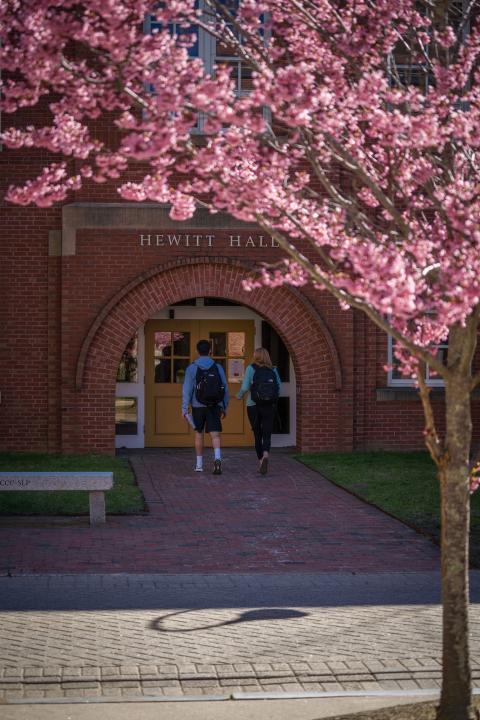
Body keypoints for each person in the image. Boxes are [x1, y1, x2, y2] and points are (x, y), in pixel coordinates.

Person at [182, 339, 229, 475]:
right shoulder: (218, 367)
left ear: (197, 351)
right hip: (214, 405)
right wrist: (224, 406)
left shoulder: (192, 368)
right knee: (215, 435)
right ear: (210, 351)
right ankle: (217, 459)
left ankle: (199, 465)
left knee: (198, 434)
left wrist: (184, 408)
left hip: (197, 405)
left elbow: (187, 390)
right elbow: (225, 388)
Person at [237, 348, 281, 475]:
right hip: (269, 406)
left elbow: (245, 387)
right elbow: (279, 388)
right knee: (267, 433)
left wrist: (239, 395)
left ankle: (261, 460)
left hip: (253, 405)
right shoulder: (273, 369)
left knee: (257, 434)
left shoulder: (251, 368)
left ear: (255, 356)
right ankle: (266, 454)